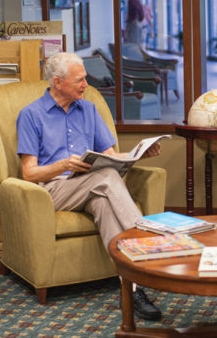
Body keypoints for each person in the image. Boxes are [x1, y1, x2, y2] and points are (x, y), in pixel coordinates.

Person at [16, 52, 163, 321]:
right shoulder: (31, 115)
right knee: (106, 178)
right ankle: (149, 242)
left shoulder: (89, 109)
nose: (86, 84)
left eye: (85, 78)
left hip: (91, 187)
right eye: (80, 80)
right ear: (58, 82)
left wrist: (138, 153)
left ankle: (132, 289)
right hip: (52, 190)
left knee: (104, 202)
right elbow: (28, 173)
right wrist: (63, 166)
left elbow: (110, 153)